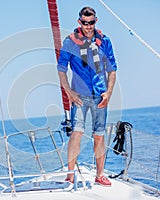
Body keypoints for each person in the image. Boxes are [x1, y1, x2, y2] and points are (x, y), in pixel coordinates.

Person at [57, 6, 117, 186]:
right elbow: (61, 69)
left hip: (100, 96)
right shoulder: (70, 42)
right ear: (79, 22)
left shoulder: (104, 41)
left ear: (95, 21)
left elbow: (112, 70)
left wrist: (109, 93)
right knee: (77, 132)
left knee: (99, 135)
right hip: (80, 97)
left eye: (91, 23)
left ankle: (100, 175)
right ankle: (70, 174)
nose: (88, 26)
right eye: (85, 23)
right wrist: (69, 91)